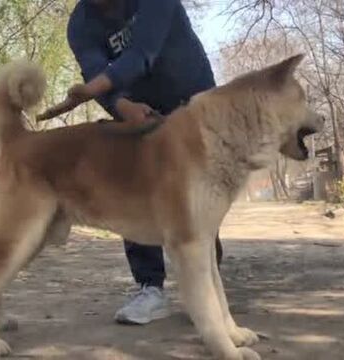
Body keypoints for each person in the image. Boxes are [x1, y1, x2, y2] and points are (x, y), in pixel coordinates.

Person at [38, 0, 223, 325]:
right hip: (137, 107)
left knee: (195, 198)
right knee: (134, 186)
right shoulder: (80, 24)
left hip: (191, 97)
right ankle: (149, 287)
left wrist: (89, 90)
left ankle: (205, 283)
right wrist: (121, 105)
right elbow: (95, 69)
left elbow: (142, 54)